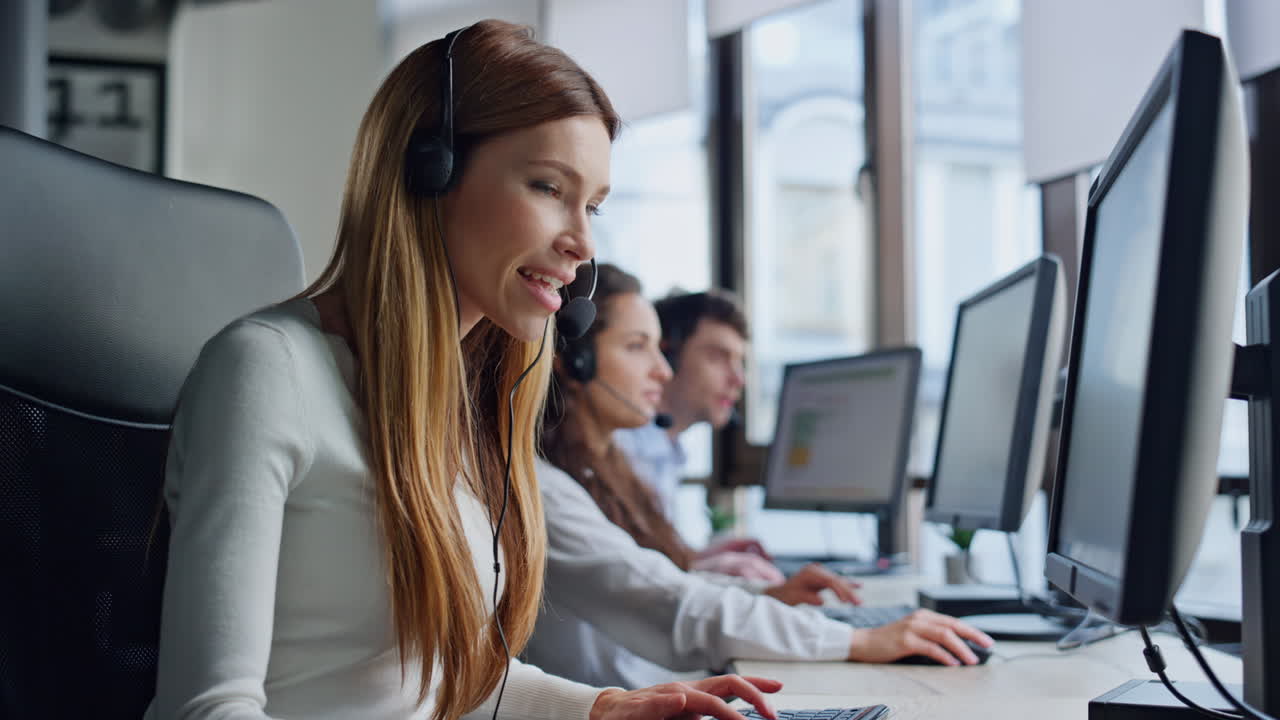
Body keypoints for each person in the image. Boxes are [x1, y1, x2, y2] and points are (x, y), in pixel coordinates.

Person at [146, 20, 782, 720]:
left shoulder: (461, 404)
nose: (581, 245)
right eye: (549, 187)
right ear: (432, 171)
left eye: (593, 206)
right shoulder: (266, 371)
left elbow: (445, 683)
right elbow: (204, 711)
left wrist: (606, 707)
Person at [527, 263, 994, 690]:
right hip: (639, 694)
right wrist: (859, 640)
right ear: (574, 361)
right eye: (637, 347)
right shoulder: (545, 492)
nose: (662, 371)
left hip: (651, 687)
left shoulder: (597, 470)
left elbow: (665, 583)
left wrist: (767, 594)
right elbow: (671, 604)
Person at [612, 288, 783, 581]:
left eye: (739, 361)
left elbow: (644, 560)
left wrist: (699, 557)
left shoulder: (666, 450)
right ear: (668, 356)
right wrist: (698, 567)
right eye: (718, 357)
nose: (738, 380)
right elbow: (623, 579)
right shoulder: (617, 447)